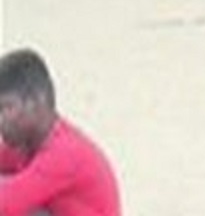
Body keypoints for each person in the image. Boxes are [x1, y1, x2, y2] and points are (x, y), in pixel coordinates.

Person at [0, 49, 122, 216]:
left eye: (4, 108)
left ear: (35, 102)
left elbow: (7, 204)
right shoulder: (24, 143)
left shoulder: (65, 153)